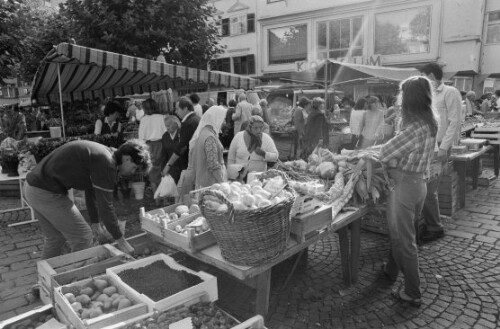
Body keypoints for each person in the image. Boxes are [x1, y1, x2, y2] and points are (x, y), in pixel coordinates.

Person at [24, 139, 151, 259]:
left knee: (55, 238)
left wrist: (95, 223)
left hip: (33, 187)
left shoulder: (105, 155)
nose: (132, 172)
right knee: (83, 237)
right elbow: (106, 208)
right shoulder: (107, 163)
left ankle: (44, 278)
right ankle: (75, 278)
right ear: (127, 158)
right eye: (134, 167)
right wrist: (122, 242)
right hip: (45, 191)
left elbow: (91, 191)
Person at [379, 76, 437, 307]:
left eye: (402, 96)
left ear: (409, 99)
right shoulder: (430, 123)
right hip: (418, 185)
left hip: (403, 187)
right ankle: (391, 271)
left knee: (404, 241)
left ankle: (413, 291)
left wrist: (391, 159)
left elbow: (384, 152)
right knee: (402, 234)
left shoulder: (414, 128)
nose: (400, 100)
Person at [420, 62, 461, 242]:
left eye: (425, 76)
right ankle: (428, 223)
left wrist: (444, 147)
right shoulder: (427, 94)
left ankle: (435, 227)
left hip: (440, 146)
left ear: (433, 76)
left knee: (429, 189)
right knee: (424, 187)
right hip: (427, 146)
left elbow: (454, 122)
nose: (424, 80)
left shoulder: (450, 92)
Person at [162, 97, 200, 184]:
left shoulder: (188, 123)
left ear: (185, 108)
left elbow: (181, 147)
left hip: (190, 163)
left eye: (177, 109)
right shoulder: (197, 118)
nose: (176, 112)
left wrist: (168, 165)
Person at [191, 106, 228, 188]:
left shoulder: (204, 132)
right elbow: (213, 164)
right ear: (216, 118)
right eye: (223, 119)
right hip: (211, 184)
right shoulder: (209, 137)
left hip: (205, 182)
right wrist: (223, 183)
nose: (224, 122)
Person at [138, 99, 167, 195]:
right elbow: (166, 133)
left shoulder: (143, 119)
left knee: (152, 173)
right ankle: (163, 197)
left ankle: (157, 198)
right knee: (162, 171)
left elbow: (141, 137)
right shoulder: (162, 117)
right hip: (161, 145)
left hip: (148, 146)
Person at [160, 115, 181, 182]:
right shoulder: (165, 136)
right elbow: (164, 154)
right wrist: (163, 169)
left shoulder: (181, 134)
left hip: (182, 167)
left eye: (168, 126)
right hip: (171, 169)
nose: (167, 128)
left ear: (175, 124)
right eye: (166, 126)